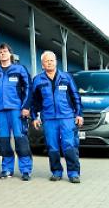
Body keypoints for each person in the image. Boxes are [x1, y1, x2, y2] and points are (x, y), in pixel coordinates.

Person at [30, 51, 83, 183]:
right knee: (52, 147)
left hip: (67, 117)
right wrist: (34, 117)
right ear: (42, 65)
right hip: (49, 119)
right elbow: (34, 101)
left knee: (69, 145)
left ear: (56, 62)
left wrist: (78, 114)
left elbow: (75, 96)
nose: (49, 63)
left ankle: (73, 173)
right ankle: (56, 172)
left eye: (51, 60)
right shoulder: (37, 80)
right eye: (46, 61)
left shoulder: (66, 77)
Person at [0, 43, 33, 181]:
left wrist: (26, 107)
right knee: (4, 141)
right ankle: (7, 169)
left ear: (10, 53)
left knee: (21, 140)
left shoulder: (20, 69)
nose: (3, 54)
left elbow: (28, 87)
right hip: (1, 111)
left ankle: (26, 170)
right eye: (0, 52)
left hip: (17, 111)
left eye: (5, 51)